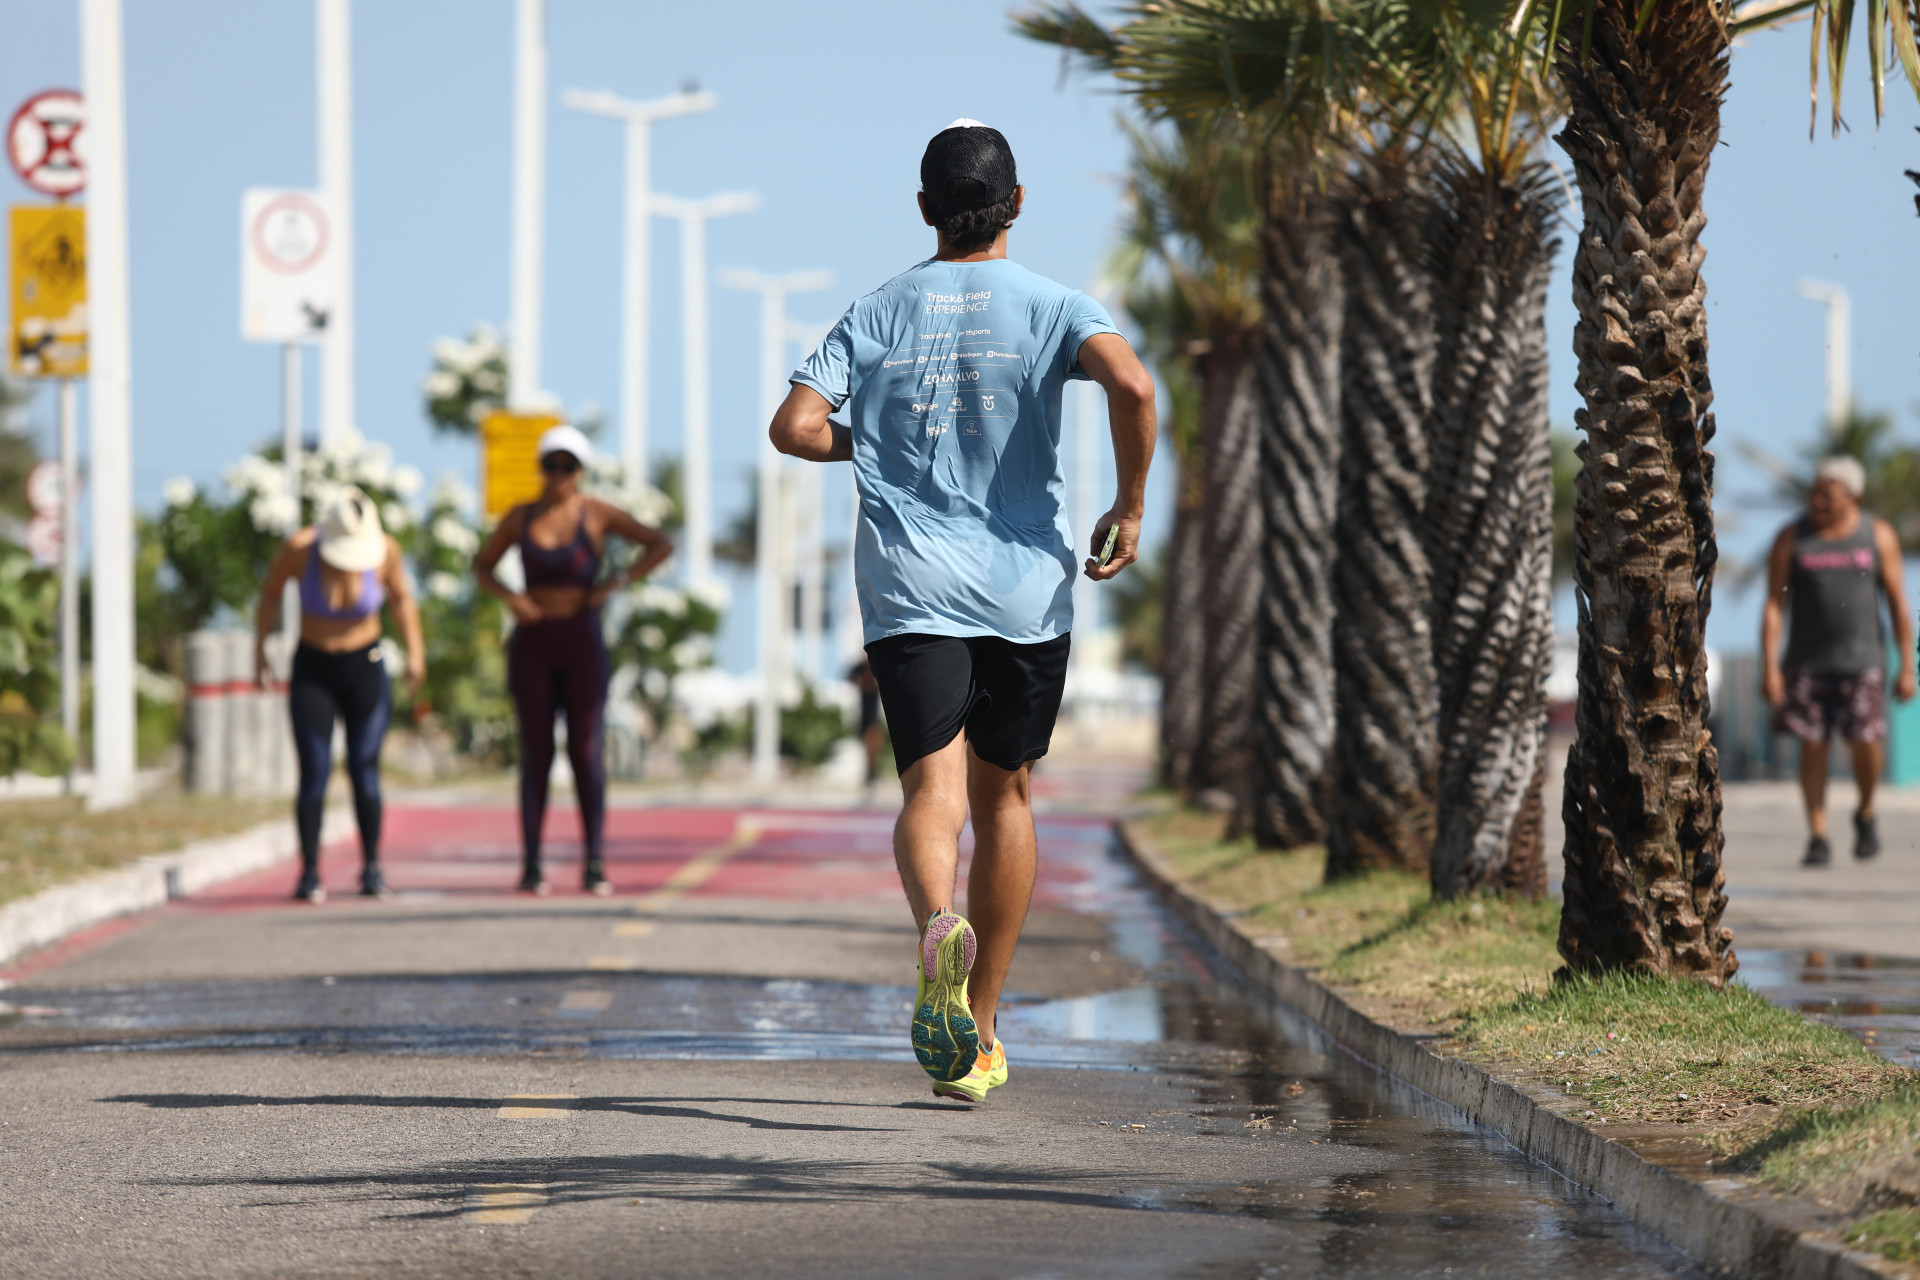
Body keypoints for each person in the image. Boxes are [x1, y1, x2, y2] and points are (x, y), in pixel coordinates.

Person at [769, 120, 1156, 1102]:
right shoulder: (1056, 304)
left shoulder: (879, 309)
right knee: (1007, 799)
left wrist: (873, 447)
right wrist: (1131, 501)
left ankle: (936, 919)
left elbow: (794, 426)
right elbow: (1134, 382)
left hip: (910, 590)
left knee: (929, 797)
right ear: (1018, 203)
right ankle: (980, 1024)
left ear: (923, 210)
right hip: (1026, 590)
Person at [476, 425, 674, 896]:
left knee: (586, 753)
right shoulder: (520, 517)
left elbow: (660, 543)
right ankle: (531, 864)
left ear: (581, 472)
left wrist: (616, 582)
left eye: (568, 467)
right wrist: (511, 598)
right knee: (536, 753)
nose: (559, 475)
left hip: (582, 641)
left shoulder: (597, 515)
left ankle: (594, 862)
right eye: (551, 466)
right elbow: (482, 566)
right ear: (541, 469)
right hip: (534, 643)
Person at [255, 486, 425, 903]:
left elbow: (402, 600)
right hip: (313, 666)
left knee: (364, 766)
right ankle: (310, 870)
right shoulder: (299, 549)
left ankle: (371, 866)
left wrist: (416, 654)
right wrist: (258, 649)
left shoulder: (385, 549)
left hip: (364, 665)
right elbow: (271, 595)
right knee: (315, 770)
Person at [1761, 455, 1915, 866]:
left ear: (1853, 496)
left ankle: (1865, 811)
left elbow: (1899, 603)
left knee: (1865, 740)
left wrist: (1908, 668)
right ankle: (1819, 834)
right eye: (1815, 492)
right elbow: (1774, 605)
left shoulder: (1876, 535)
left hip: (1864, 661)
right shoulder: (1792, 537)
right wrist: (1769, 666)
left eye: (1827, 495)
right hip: (1806, 662)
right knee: (1812, 745)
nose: (1818, 501)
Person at [849, 656, 884, 789]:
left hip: (874, 715)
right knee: (867, 743)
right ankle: (870, 773)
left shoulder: (876, 665)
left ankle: (872, 772)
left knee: (873, 743)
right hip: (865, 713)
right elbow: (849, 676)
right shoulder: (861, 667)